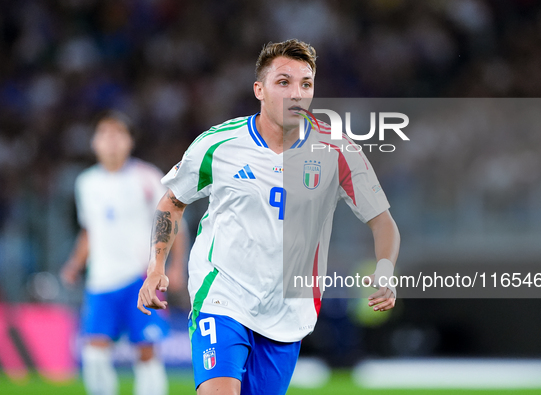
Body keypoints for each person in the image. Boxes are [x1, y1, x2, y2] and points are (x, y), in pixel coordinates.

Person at [137, 39, 400, 395]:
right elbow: (172, 202)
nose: (296, 93)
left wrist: (384, 269)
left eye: (305, 84)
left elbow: (382, 220)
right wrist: (156, 266)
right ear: (259, 90)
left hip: (288, 309)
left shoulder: (339, 151)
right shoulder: (218, 145)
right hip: (222, 293)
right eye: (283, 82)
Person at [61, 111, 187, 395]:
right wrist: (74, 263)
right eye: (105, 134)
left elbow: (174, 221)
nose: (111, 141)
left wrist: (177, 266)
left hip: (139, 278)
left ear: (130, 141)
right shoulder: (86, 183)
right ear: (94, 142)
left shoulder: (147, 177)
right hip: (100, 282)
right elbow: (90, 231)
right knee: (94, 354)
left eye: (119, 134)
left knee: (146, 353)